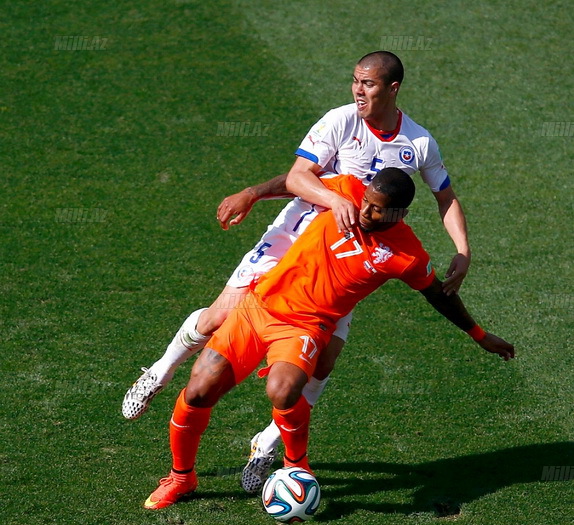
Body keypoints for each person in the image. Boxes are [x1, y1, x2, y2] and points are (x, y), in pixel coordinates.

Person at [123, 50, 471, 487]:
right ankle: (161, 370)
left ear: (393, 88)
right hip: (295, 234)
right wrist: (327, 199)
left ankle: (267, 442)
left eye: (368, 84)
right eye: (355, 82)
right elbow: (297, 177)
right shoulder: (340, 121)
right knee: (218, 318)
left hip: (343, 259)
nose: (358, 91)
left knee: (323, 361)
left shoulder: (418, 143)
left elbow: (445, 196)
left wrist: (462, 249)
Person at [141, 168, 514, 510]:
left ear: (399, 215)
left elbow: (437, 294)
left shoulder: (407, 255)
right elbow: (294, 180)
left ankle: (296, 467)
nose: (365, 213)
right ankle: (181, 478)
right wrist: (263, 193)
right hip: (258, 305)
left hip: (305, 326)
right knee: (199, 388)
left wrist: (480, 335)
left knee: (283, 390)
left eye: (377, 211)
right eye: (366, 203)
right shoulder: (347, 190)